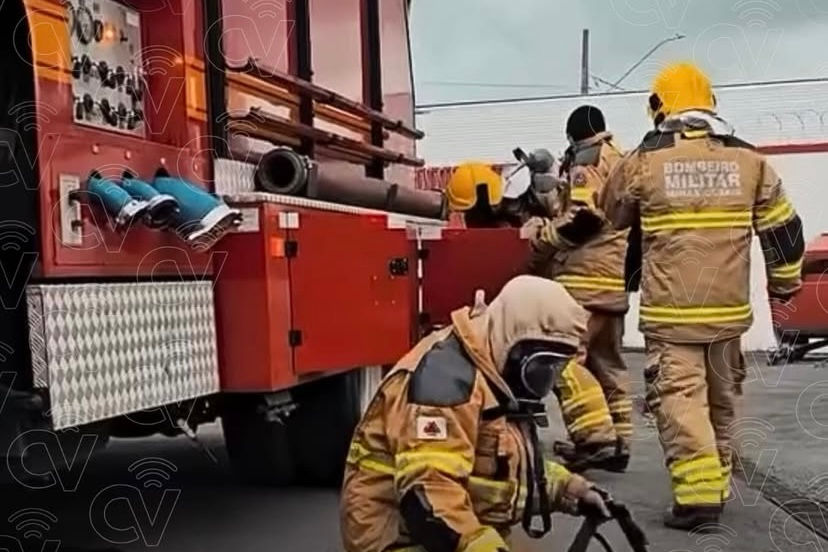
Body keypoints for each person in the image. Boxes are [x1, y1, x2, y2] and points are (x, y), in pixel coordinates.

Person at [598, 62, 804, 529]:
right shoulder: (750, 162)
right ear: (710, 102)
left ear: (658, 106)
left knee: (680, 401)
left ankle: (697, 500)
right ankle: (718, 483)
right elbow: (785, 231)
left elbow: (611, 213)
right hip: (729, 316)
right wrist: (784, 286)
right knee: (721, 401)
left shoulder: (644, 163)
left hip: (672, 318)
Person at [340, 275, 613, 552]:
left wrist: (571, 490)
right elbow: (429, 494)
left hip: (448, 532)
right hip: (400, 542)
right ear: (512, 341)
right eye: (540, 364)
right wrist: (478, 544)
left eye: (556, 367)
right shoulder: (445, 384)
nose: (545, 379)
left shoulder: (493, 367)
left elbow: (501, 464)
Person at [444, 160, 622, 474]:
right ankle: (599, 437)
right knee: (562, 363)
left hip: (535, 304)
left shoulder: (519, 227)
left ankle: (596, 436)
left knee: (556, 363)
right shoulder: (520, 220)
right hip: (545, 299)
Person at [523, 105, 632, 473]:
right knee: (609, 367)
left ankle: (594, 440)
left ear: (574, 135)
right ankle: (619, 443)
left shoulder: (587, 161)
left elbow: (583, 217)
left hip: (584, 282)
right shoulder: (621, 158)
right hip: (614, 283)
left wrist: (545, 240)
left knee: (566, 361)